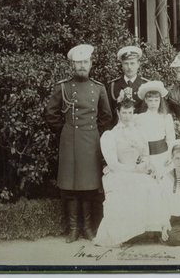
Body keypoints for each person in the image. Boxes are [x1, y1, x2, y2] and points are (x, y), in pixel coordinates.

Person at [45, 44, 112, 243]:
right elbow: (51, 114)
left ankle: (88, 228)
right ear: (72, 65)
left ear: (90, 64)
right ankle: (73, 229)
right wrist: (67, 130)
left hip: (90, 140)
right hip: (70, 140)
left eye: (85, 62)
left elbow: (106, 116)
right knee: (71, 186)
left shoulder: (98, 88)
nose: (82, 66)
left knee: (89, 186)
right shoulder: (63, 86)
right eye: (78, 62)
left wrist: (92, 132)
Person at [92, 92, 167, 247]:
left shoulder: (139, 133)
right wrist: (135, 169)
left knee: (152, 185)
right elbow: (112, 164)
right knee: (127, 188)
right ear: (118, 113)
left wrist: (145, 165)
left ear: (134, 113)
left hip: (137, 171)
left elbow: (145, 154)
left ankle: (147, 231)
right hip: (118, 172)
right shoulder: (110, 135)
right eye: (124, 113)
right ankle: (120, 235)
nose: (127, 116)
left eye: (130, 112)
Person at [135, 80, 176, 179]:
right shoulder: (139, 118)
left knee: (164, 181)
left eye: (156, 100)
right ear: (145, 100)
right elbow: (136, 139)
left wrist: (170, 155)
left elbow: (171, 139)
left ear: (160, 101)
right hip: (147, 157)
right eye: (150, 100)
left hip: (163, 155)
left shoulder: (165, 118)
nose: (153, 103)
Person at [107, 46, 149, 126]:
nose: (129, 67)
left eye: (132, 63)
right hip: (119, 131)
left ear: (138, 64)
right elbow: (109, 114)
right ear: (122, 65)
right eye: (126, 63)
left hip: (141, 129)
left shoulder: (146, 85)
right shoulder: (113, 86)